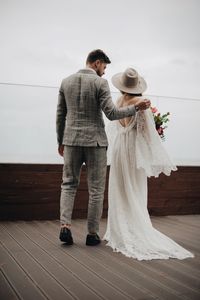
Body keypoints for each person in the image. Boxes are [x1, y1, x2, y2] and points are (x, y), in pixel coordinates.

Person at [56, 50, 151, 246]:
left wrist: (60, 141)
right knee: (96, 189)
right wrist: (136, 107)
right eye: (104, 67)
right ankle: (92, 234)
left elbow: (60, 115)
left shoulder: (66, 82)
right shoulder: (100, 83)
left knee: (68, 184)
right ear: (97, 63)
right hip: (96, 143)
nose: (105, 72)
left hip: (71, 141)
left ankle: (65, 226)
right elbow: (112, 113)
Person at [103, 67, 194, 260]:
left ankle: (120, 230)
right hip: (131, 150)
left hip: (120, 147)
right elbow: (146, 133)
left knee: (120, 189)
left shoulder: (118, 101)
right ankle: (135, 229)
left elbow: (114, 126)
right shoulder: (141, 103)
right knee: (134, 189)